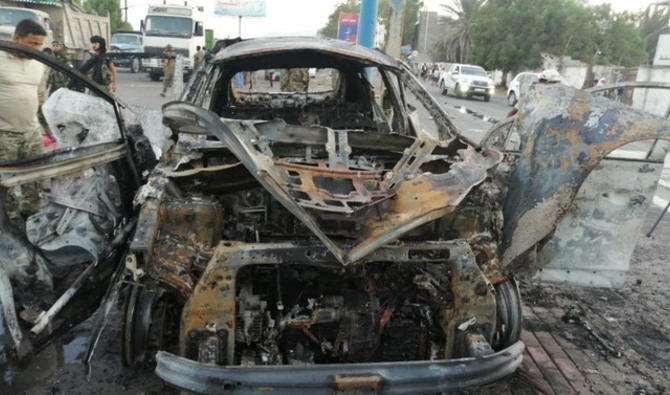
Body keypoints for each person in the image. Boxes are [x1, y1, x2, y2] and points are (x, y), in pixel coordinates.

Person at [0, 19, 53, 218]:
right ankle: (8, 223)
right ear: (16, 39)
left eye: (39, 45)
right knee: (6, 184)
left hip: (31, 133)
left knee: (36, 179)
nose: (36, 49)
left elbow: (40, 98)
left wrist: (47, 128)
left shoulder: (39, 64)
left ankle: (31, 216)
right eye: (32, 44)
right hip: (4, 135)